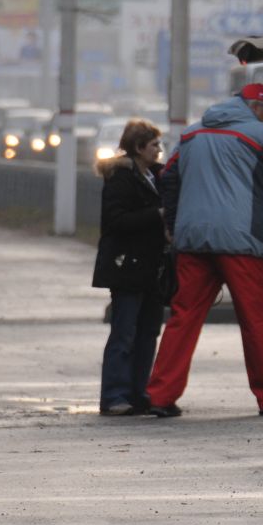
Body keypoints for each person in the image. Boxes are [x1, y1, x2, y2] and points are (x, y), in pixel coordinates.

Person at [146, 83, 263, 418]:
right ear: (257, 108)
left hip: (193, 240)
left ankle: (160, 396)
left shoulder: (191, 135)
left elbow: (168, 178)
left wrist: (175, 226)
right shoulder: (259, 135)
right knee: (255, 321)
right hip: (240, 241)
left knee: (183, 318)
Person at [92, 119, 167, 416]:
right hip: (126, 266)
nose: (159, 151)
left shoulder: (156, 176)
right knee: (123, 333)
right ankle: (114, 395)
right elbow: (115, 221)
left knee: (148, 332)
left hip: (151, 267)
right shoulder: (121, 178)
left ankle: (139, 392)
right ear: (138, 147)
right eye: (154, 145)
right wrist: (156, 215)